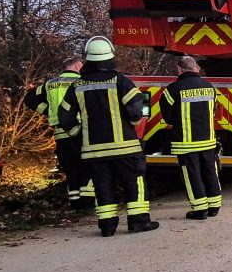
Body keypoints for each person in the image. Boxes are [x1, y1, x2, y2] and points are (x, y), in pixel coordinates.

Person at [58, 36, 159, 237]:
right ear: (110, 56)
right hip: (125, 148)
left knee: (102, 186)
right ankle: (139, 221)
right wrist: (131, 123)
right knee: (134, 182)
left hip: (94, 151)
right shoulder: (120, 81)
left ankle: (107, 226)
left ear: (88, 58)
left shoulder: (77, 86)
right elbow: (136, 108)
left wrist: (79, 135)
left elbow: (64, 116)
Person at [25, 56, 94, 212]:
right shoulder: (82, 82)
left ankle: (75, 203)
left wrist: (49, 112)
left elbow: (29, 98)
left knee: (70, 168)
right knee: (87, 166)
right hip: (81, 130)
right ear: (77, 66)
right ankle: (88, 202)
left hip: (60, 134)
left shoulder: (50, 84)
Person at [161, 56, 221, 220]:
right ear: (196, 69)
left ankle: (200, 210)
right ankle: (214, 206)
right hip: (208, 140)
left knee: (192, 174)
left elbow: (167, 116)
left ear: (179, 69)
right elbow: (213, 111)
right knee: (210, 171)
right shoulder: (209, 87)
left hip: (186, 143)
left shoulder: (173, 89)